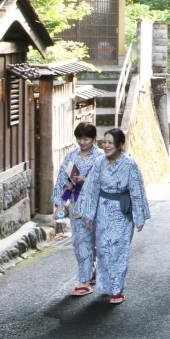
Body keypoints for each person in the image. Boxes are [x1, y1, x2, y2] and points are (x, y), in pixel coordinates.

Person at [81, 128, 150, 305]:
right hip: (103, 211)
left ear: (120, 145)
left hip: (121, 211)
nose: (106, 146)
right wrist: (88, 214)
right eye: (104, 142)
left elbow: (137, 191)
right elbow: (91, 189)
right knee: (103, 249)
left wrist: (139, 216)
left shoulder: (129, 164)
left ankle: (117, 290)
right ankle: (106, 285)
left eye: (111, 143)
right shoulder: (99, 163)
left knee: (118, 251)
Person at [52, 122, 106, 297]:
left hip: (96, 204)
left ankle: (94, 271)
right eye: (79, 138)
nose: (82, 142)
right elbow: (62, 179)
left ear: (94, 138)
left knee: (98, 241)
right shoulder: (71, 155)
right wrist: (60, 204)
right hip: (75, 204)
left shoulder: (100, 156)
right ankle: (83, 280)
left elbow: (106, 179)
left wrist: (87, 180)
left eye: (86, 138)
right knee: (80, 241)